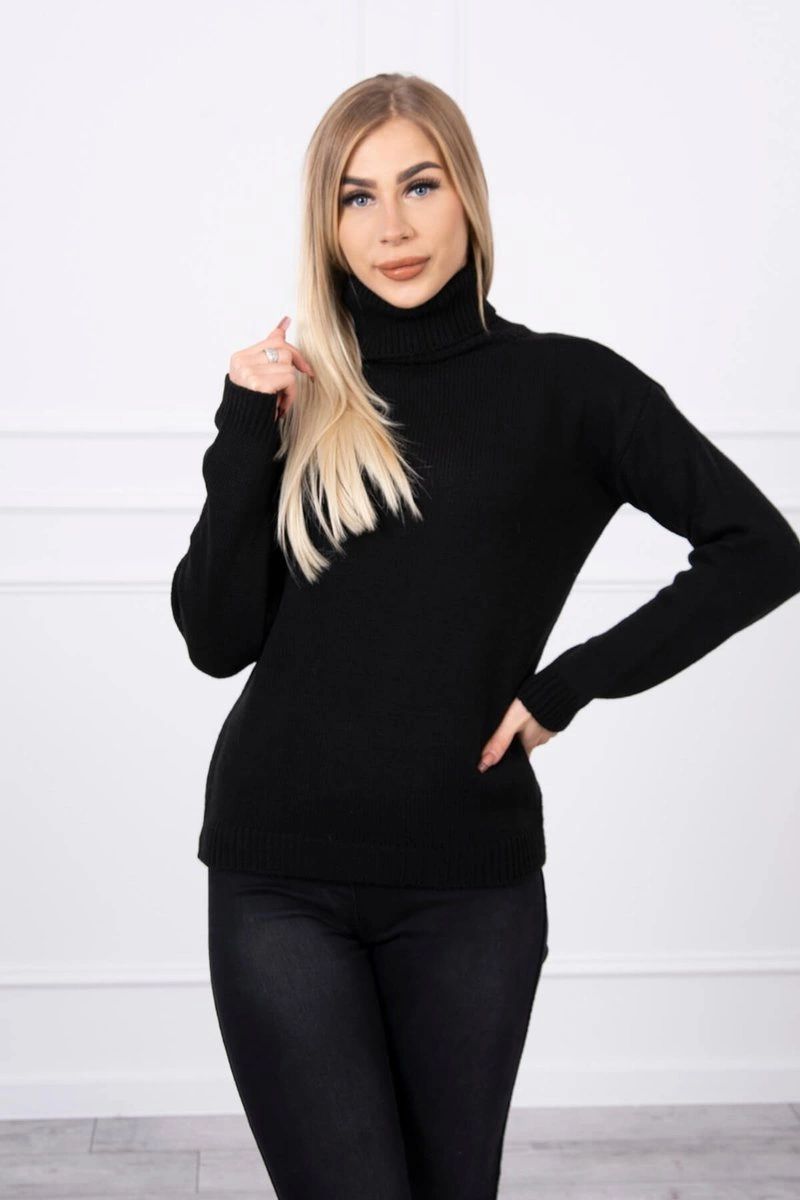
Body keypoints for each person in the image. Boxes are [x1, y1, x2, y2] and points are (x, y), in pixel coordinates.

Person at [170, 73, 800, 1200]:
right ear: (326, 223)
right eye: (356, 196)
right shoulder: (305, 397)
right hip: (277, 878)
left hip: (468, 887)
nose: (392, 226)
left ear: (468, 193)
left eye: (420, 185)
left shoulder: (569, 388)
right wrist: (242, 426)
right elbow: (217, 640)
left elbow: (760, 548)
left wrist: (569, 686)